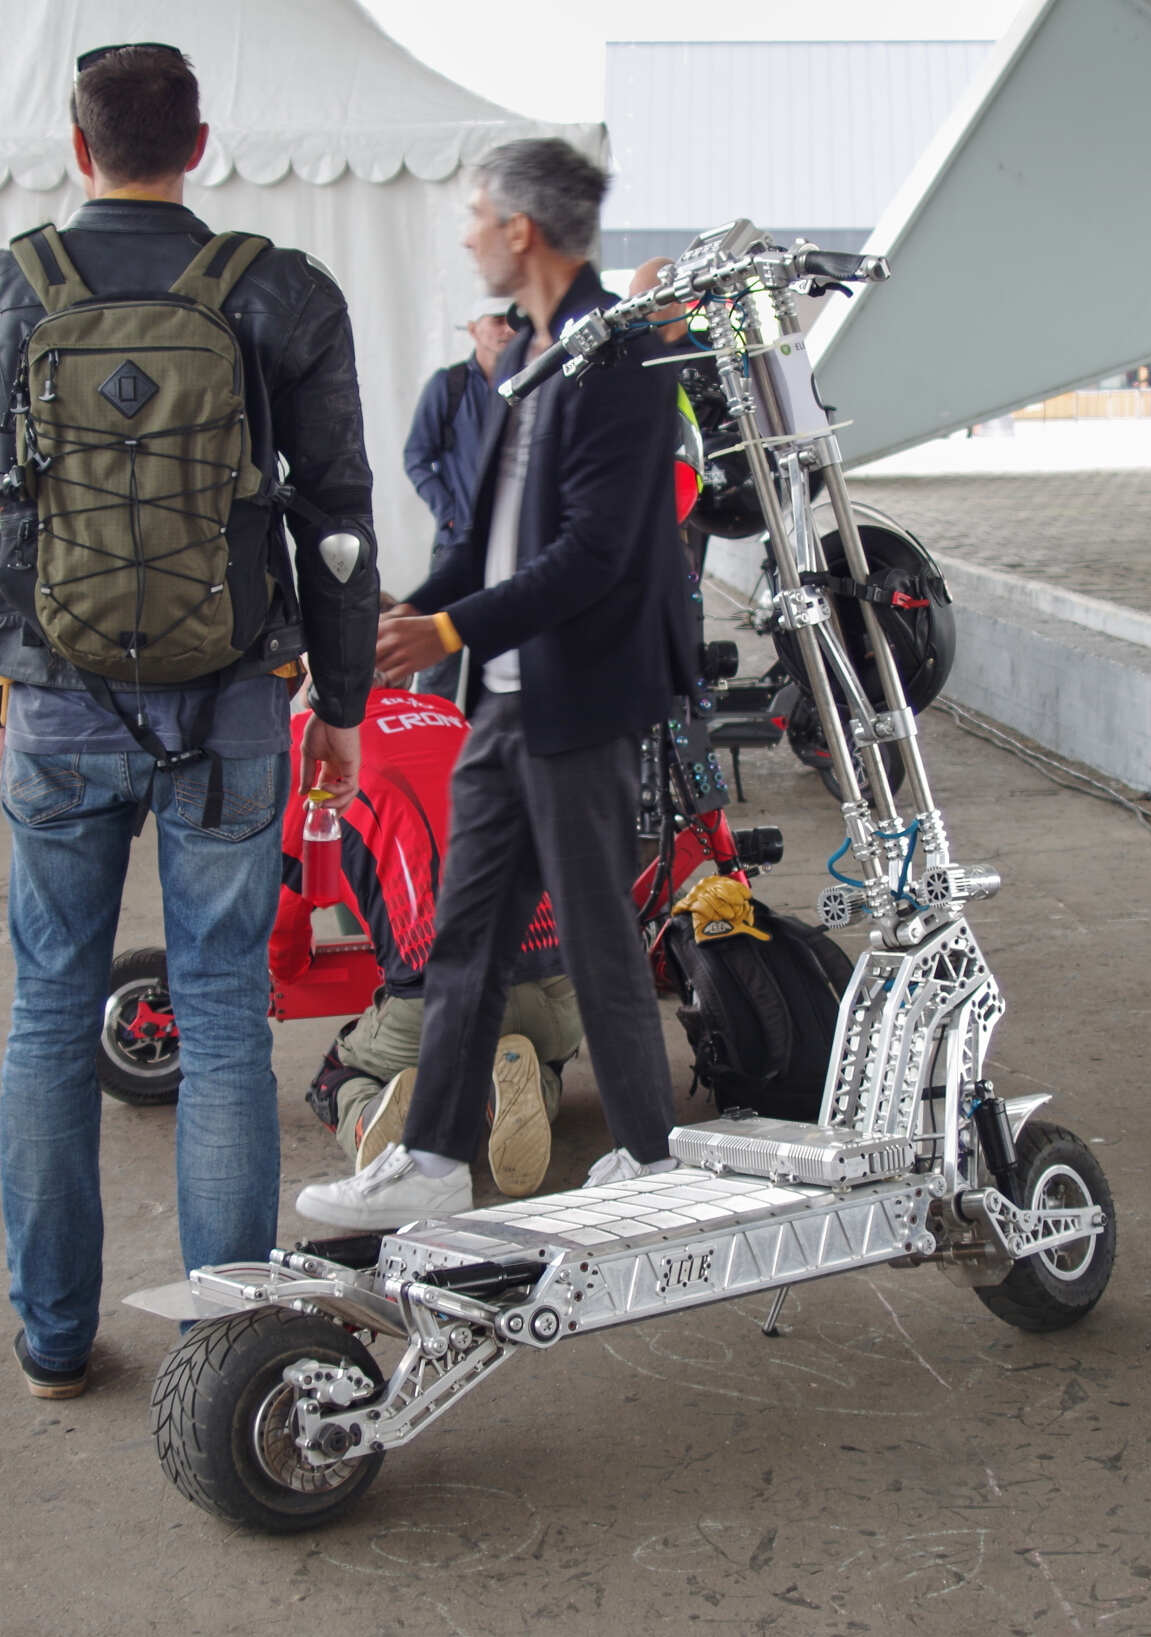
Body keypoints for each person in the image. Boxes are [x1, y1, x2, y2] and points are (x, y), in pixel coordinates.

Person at [0, 43, 377, 1399]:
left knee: (51, 1013)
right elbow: (336, 526)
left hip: (52, 701)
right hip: (233, 701)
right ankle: (225, 1351)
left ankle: (56, 1340)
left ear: (78, 146)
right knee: (224, 1012)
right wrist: (342, 702)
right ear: (199, 145)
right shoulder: (284, 290)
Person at [296, 138, 696, 1231]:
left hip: (582, 701)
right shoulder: (527, 354)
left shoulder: (618, 356)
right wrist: (403, 616)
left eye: (477, 214)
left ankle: (651, 1156)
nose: (468, 233)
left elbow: (592, 555)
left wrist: (444, 628)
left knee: (599, 937)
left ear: (521, 230)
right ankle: (431, 1156)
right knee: (462, 937)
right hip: (506, 704)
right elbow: (485, 543)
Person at [274, 681, 581, 1196]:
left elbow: (286, 898)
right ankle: (519, 1085)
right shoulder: (446, 714)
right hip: (560, 983)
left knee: (336, 1077)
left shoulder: (306, 739)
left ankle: (374, 1113)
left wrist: (286, 969)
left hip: (435, 994)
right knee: (543, 1056)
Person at [403, 297, 514, 700]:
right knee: (437, 662)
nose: (507, 329)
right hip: (455, 546)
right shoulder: (448, 386)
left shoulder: (529, 383)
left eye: (512, 320)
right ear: (472, 329)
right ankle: (433, 729)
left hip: (509, 549)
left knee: (502, 659)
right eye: (497, 320)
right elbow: (417, 457)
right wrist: (448, 512)